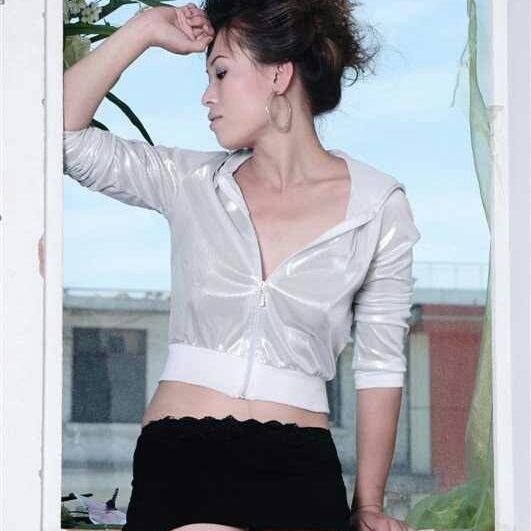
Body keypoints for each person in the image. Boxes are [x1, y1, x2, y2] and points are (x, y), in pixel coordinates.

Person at [63, 1, 421, 531]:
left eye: (221, 73)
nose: (207, 96)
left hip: (301, 470)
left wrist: (368, 505)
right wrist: (142, 30)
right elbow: (61, 136)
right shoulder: (189, 182)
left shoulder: (378, 206)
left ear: (279, 74)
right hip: (182, 461)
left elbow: (380, 366)